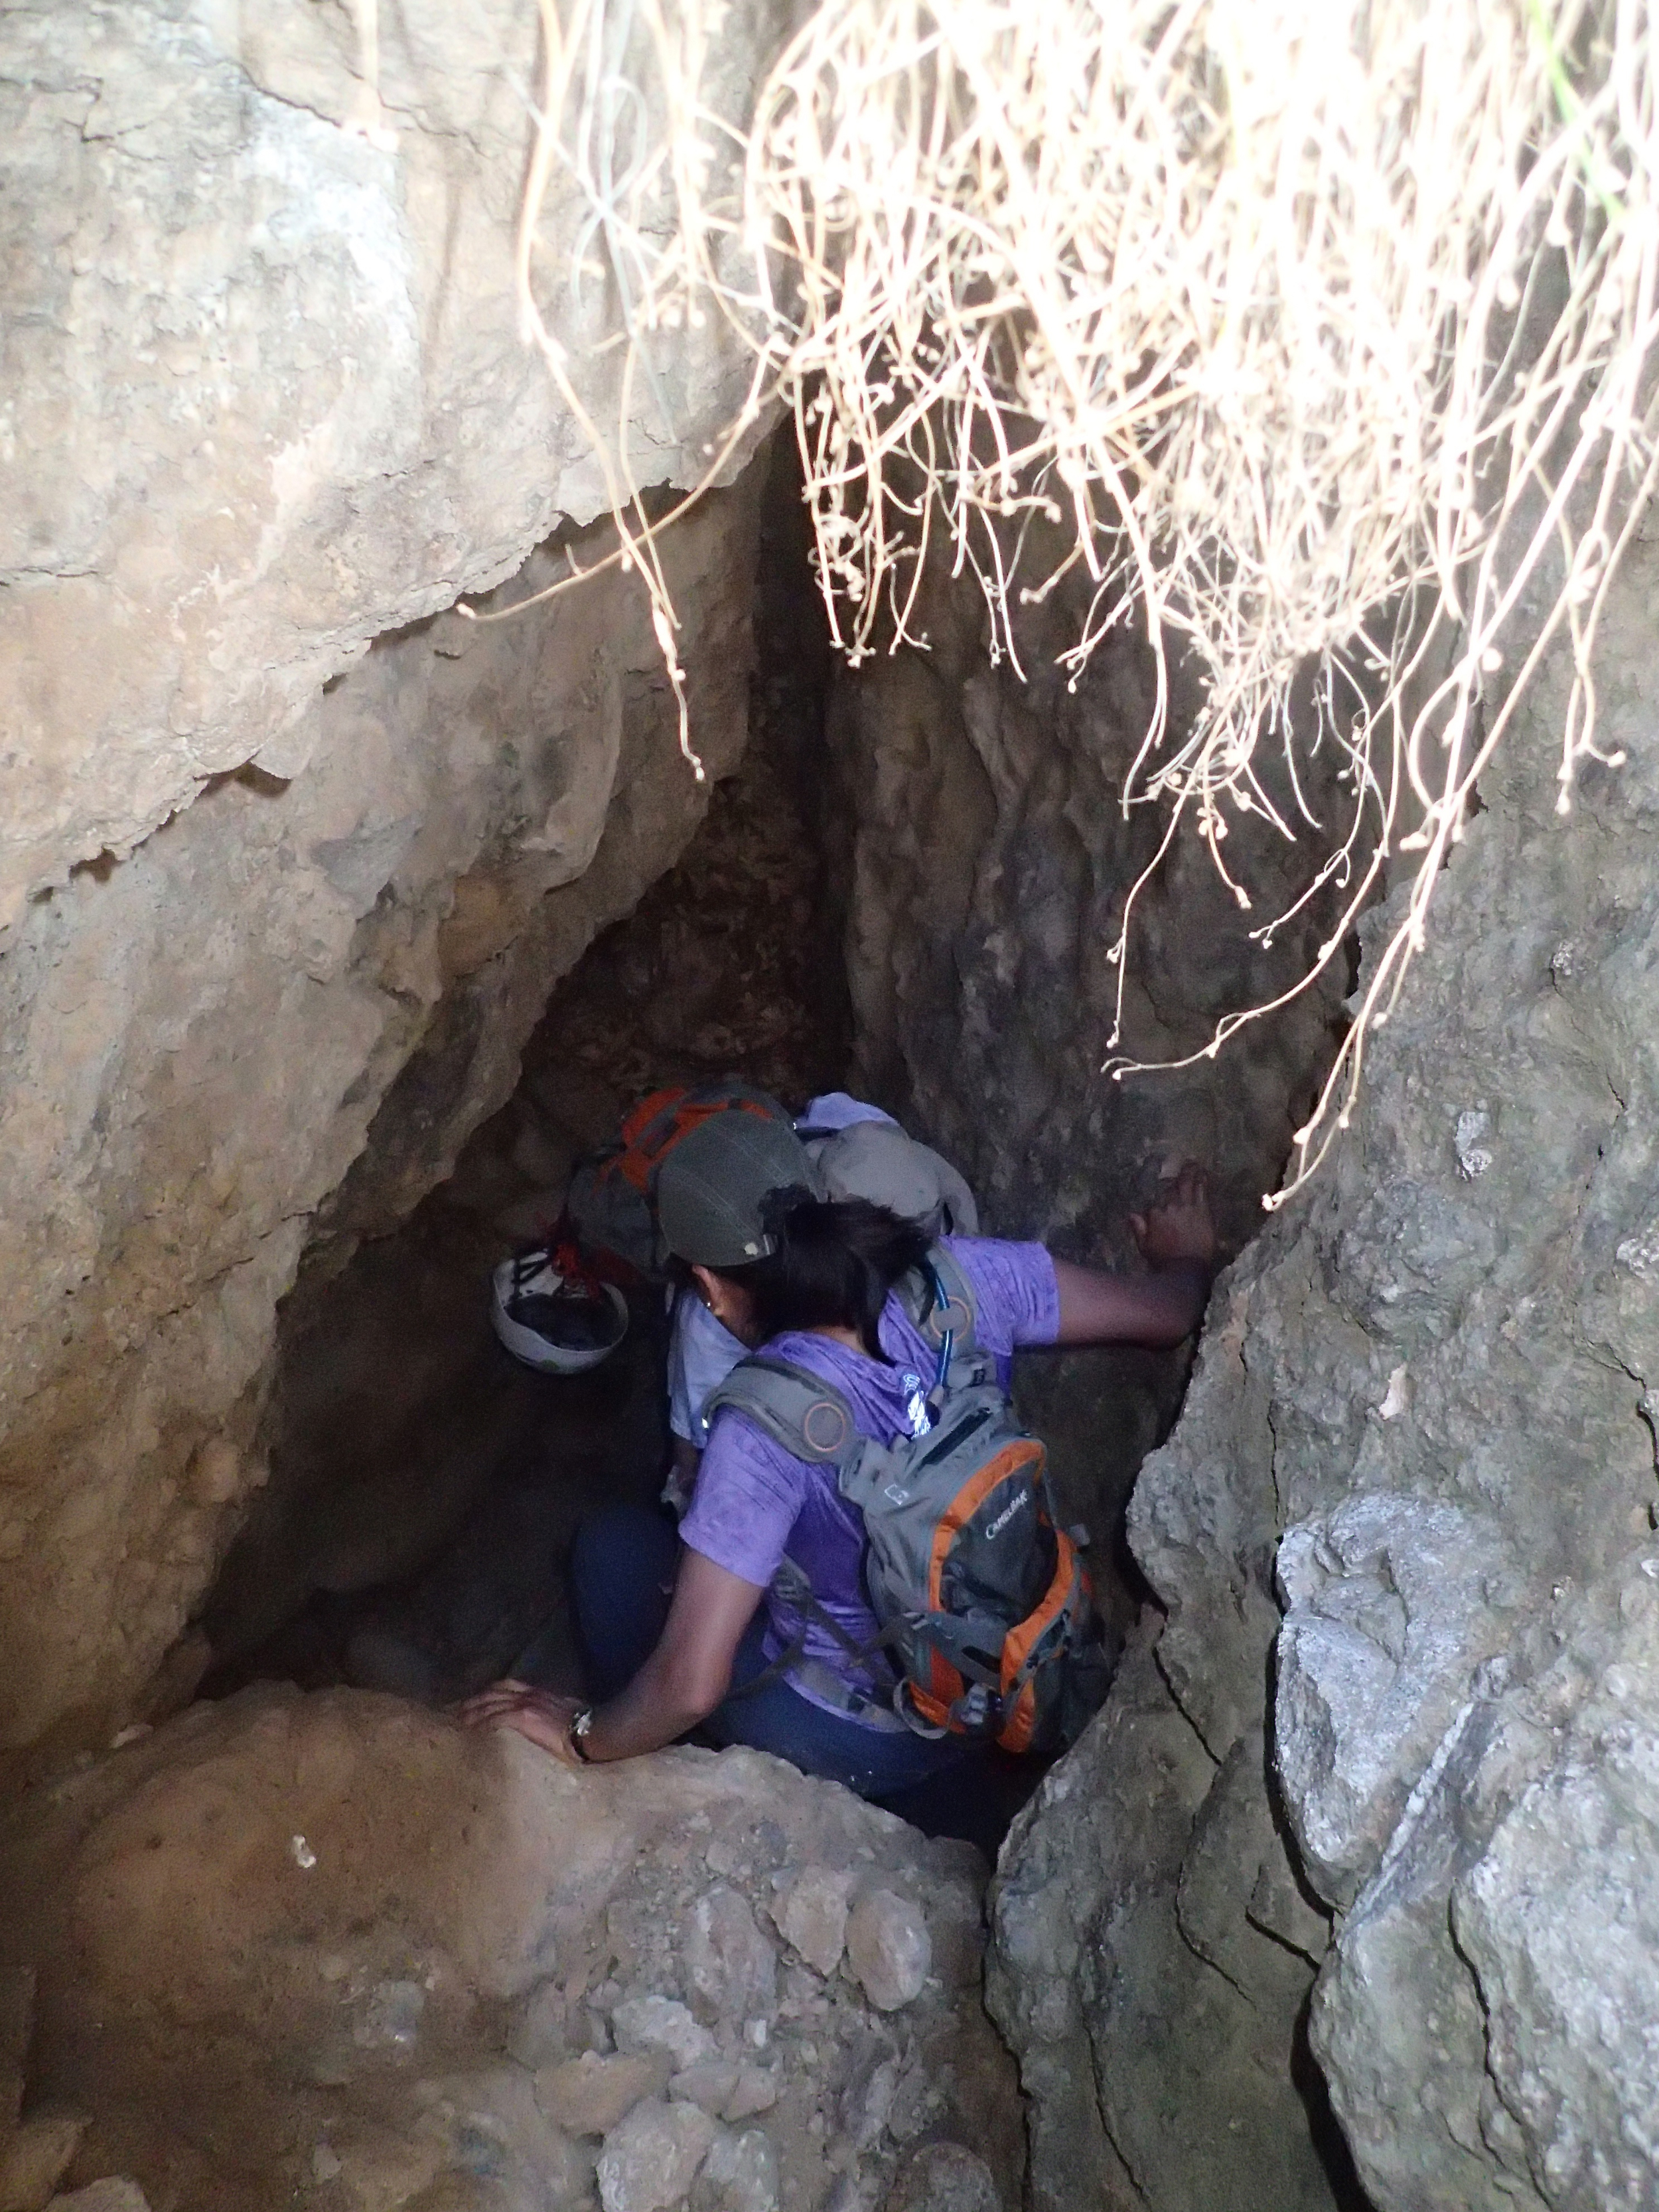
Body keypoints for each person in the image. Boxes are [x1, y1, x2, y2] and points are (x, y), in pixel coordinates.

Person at [462, 1130, 1216, 1825]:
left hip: (849, 1729)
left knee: (613, 1554)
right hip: (1006, 1661)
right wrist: (1184, 1260)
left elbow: (691, 1682)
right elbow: (1169, 1313)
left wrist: (582, 1735)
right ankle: (965, 1803)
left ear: (710, 1288)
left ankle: (649, 1768)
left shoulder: (760, 1430)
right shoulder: (965, 1278)